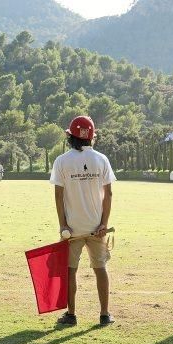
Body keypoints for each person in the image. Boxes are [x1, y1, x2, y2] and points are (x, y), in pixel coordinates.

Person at [50, 115, 116, 326]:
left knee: (71, 270)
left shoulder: (62, 161)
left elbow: (58, 196)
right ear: (91, 137)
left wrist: (63, 225)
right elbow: (109, 194)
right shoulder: (101, 159)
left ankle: (71, 315)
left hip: (73, 229)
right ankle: (104, 315)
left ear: (71, 137)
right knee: (100, 269)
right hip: (96, 228)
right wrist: (104, 223)